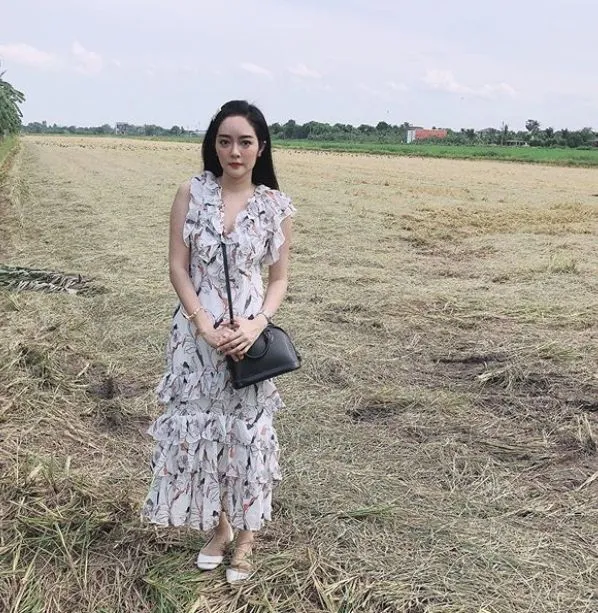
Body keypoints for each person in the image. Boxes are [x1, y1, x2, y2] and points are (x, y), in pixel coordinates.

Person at [141, 100, 295, 583]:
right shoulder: (191, 194)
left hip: (249, 338)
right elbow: (177, 267)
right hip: (195, 338)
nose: (234, 151)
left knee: (247, 433)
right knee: (206, 432)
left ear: (260, 147)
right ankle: (221, 528)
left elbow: (279, 280)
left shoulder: (275, 206)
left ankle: (247, 538)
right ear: (213, 145)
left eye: (245, 142)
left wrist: (256, 324)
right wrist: (202, 324)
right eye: (225, 141)